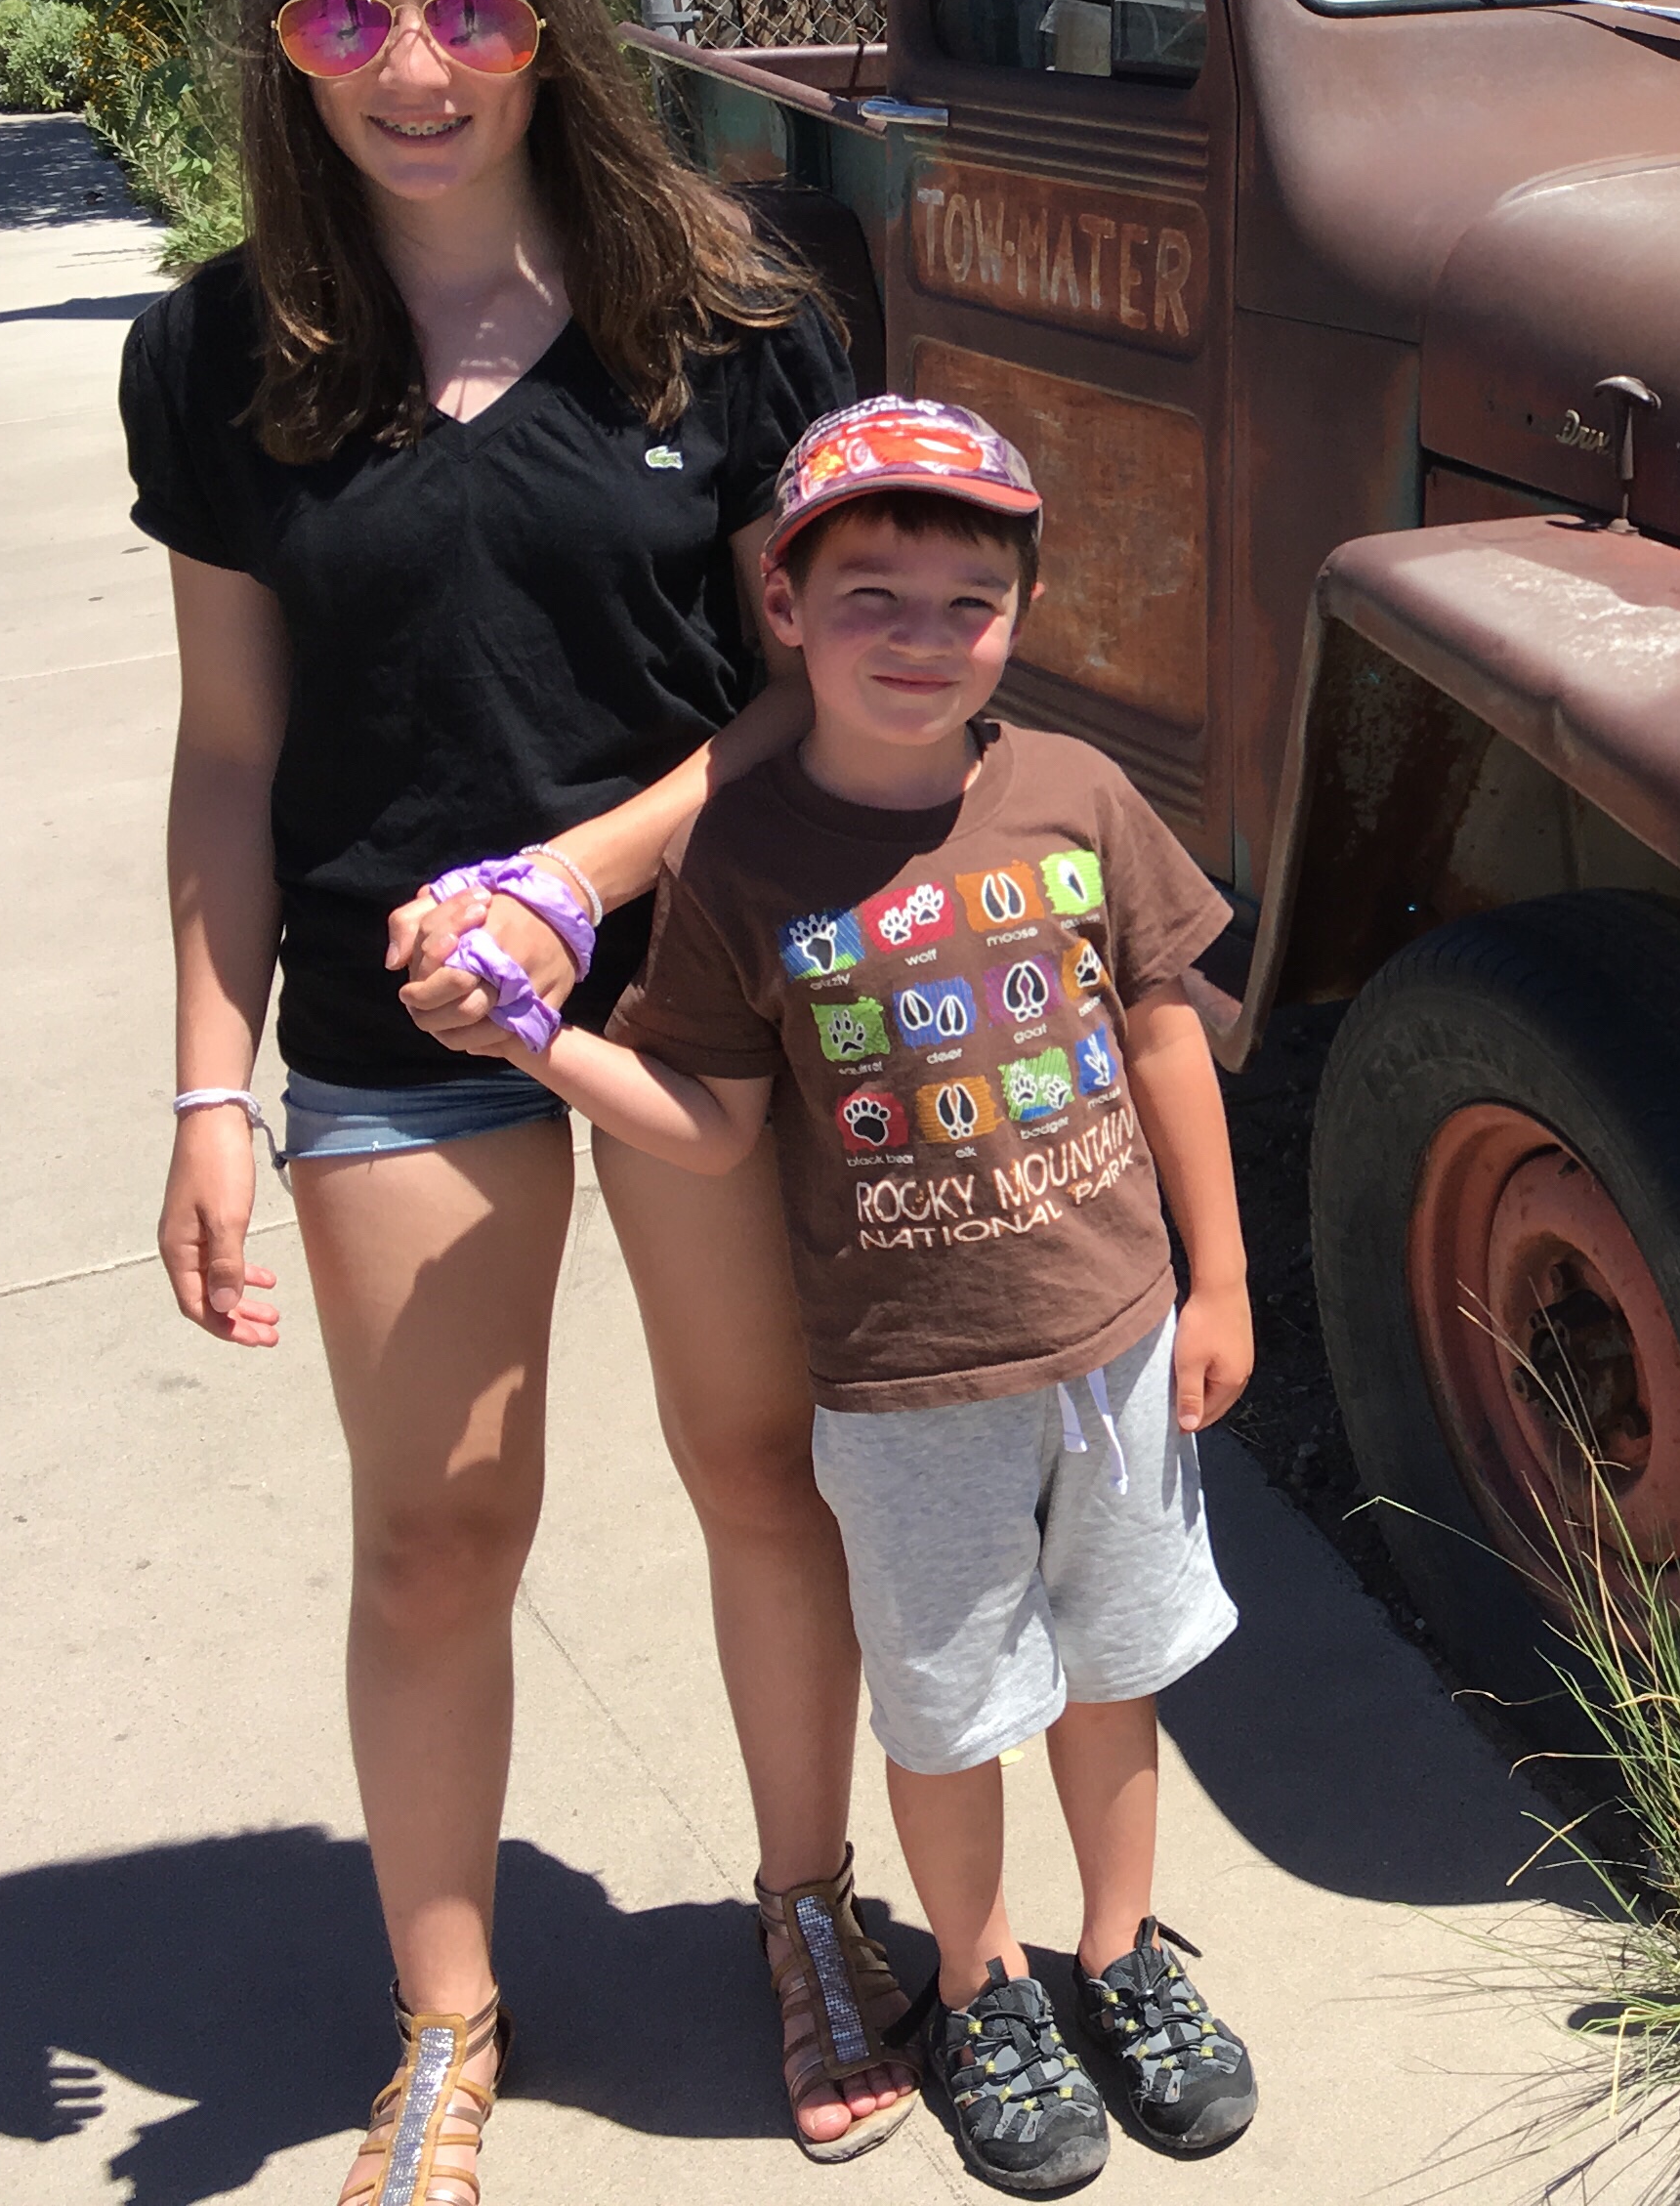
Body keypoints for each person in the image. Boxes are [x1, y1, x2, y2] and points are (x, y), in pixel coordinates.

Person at [127, 0, 918, 2206]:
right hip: (394, 1029)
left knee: (759, 1472)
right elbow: (231, 752)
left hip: (695, 990)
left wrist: (580, 877)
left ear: (548, 25)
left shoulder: (737, 314)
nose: (414, 68)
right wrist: (209, 1094)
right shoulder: (220, 356)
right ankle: (447, 2020)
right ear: (285, 48)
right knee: (436, 1539)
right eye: (347, 20)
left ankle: (807, 1909)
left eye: (467, 12)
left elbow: (810, 697)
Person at [491, 396, 1260, 2197]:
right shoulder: (739, 857)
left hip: (1118, 1349)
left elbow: (1166, 1037)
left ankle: (1123, 1953)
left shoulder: (1076, 795)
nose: (925, 639)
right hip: (906, 1387)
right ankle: (979, 1986)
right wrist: (539, 1044)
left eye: (968, 602)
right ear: (785, 607)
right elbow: (708, 1120)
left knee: (1115, 1674)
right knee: (947, 1706)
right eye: (873, 599)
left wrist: (1220, 1279)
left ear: (1024, 612)